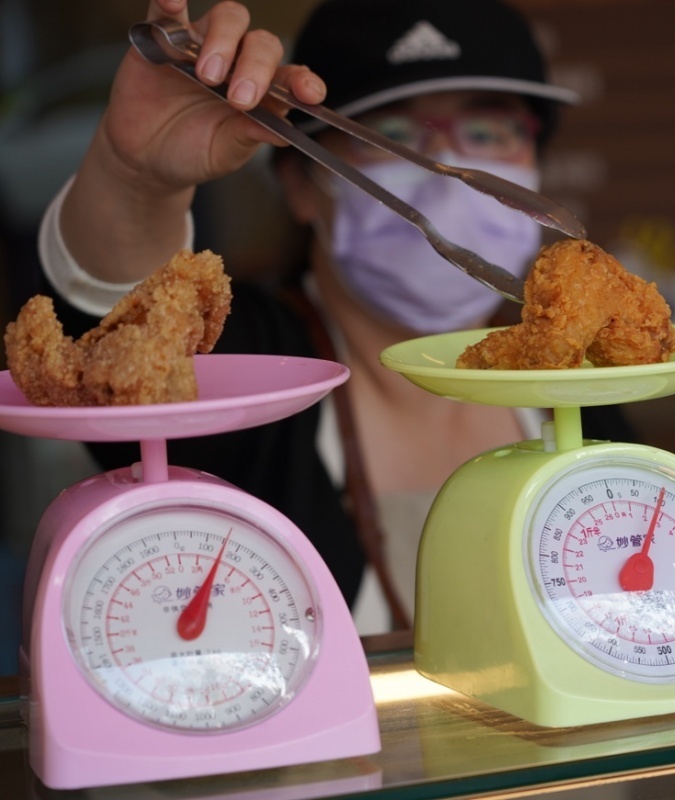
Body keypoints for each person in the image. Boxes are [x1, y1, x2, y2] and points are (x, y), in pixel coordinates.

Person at [33, 0, 634, 633]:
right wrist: (136, 179)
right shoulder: (254, 376)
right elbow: (114, 337)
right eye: (391, 134)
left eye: (488, 132)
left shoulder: (583, 382)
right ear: (299, 184)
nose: (451, 176)